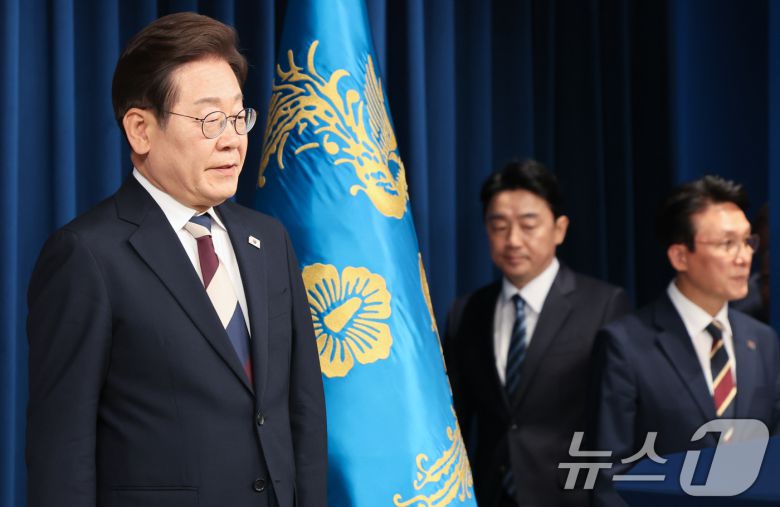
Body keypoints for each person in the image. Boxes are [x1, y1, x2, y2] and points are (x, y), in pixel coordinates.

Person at [26, 13, 326, 507]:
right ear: (140, 130)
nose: (232, 139)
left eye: (239, 117)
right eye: (210, 120)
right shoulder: (87, 256)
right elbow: (62, 453)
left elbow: (303, 413)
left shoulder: (269, 240)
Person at [444, 160, 631, 507]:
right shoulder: (466, 312)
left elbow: (615, 424)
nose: (513, 240)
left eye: (528, 225)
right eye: (499, 226)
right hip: (489, 495)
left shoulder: (603, 305)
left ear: (559, 229)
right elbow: (456, 420)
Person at [595, 175, 780, 505]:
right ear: (680, 256)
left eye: (747, 242)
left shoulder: (762, 340)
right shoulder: (626, 344)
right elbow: (610, 476)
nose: (743, 257)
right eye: (727, 244)